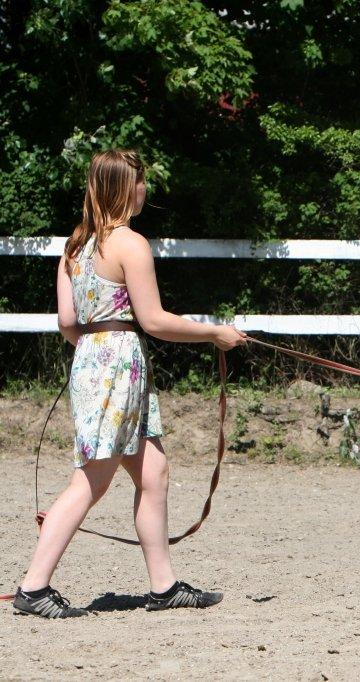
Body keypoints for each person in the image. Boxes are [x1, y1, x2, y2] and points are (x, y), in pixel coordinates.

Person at [12, 149, 247, 618]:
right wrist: (215, 333)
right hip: (120, 364)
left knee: (153, 472)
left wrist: (95, 350)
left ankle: (164, 586)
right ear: (125, 188)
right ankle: (34, 586)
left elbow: (66, 322)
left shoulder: (74, 248)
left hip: (94, 360)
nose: (146, 190)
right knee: (91, 480)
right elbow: (155, 320)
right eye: (140, 182)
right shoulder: (130, 244)